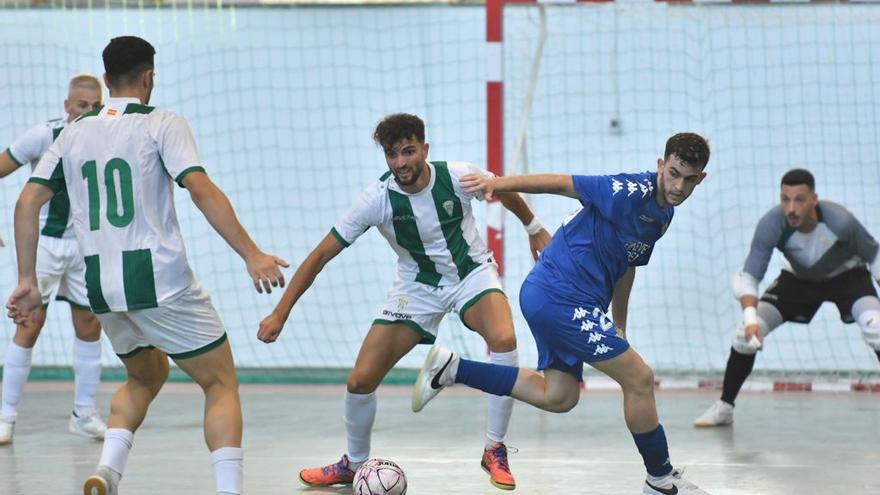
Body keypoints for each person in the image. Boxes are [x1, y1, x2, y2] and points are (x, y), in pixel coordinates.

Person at [6, 36, 287, 495]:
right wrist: (251, 253)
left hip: (102, 287)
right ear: (148, 76)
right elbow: (201, 190)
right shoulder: (162, 123)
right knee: (219, 383)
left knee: (146, 374)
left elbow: (26, 201)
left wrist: (26, 280)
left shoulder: (72, 132)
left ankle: (106, 473)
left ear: (105, 79)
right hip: (160, 282)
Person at [257, 113, 551, 491]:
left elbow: (503, 188)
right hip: (416, 288)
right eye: (392, 155)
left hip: (470, 275)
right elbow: (319, 255)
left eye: (408, 151)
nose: (401, 163)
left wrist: (534, 228)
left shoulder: (458, 176)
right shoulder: (376, 200)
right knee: (360, 380)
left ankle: (494, 448)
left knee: (504, 339)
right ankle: (354, 464)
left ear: (425, 149)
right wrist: (280, 312)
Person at [412, 133, 714, 495]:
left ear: (701, 179)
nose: (679, 186)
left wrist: (620, 324)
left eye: (689, 178)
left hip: (566, 300)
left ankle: (451, 369)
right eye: (674, 173)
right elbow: (559, 183)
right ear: (660, 165)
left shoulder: (663, 216)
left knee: (559, 396)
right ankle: (660, 478)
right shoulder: (627, 190)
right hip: (559, 295)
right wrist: (496, 184)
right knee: (639, 378)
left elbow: (627, 264)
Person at [694, 168, 880, 427]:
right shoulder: (772, 224)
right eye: (785, 199)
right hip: (798, 281)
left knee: (877, 328)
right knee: (744, 336)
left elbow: (875, 256)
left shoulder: (841, 222)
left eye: (799, 200)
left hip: (848, 278)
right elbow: (748, 277)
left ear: (814, 199)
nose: (791, 208)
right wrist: (750, 320)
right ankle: (724, 407)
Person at [0, 74, 106, 445]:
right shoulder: (43, 135)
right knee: (29, 322)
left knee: (90, 324)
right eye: (81, 105)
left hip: (85, 247)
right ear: (67, 106)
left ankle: (84, 413)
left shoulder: (109, 136)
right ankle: (5, 418)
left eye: (95, 106)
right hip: (43, 245)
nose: (88, 111)